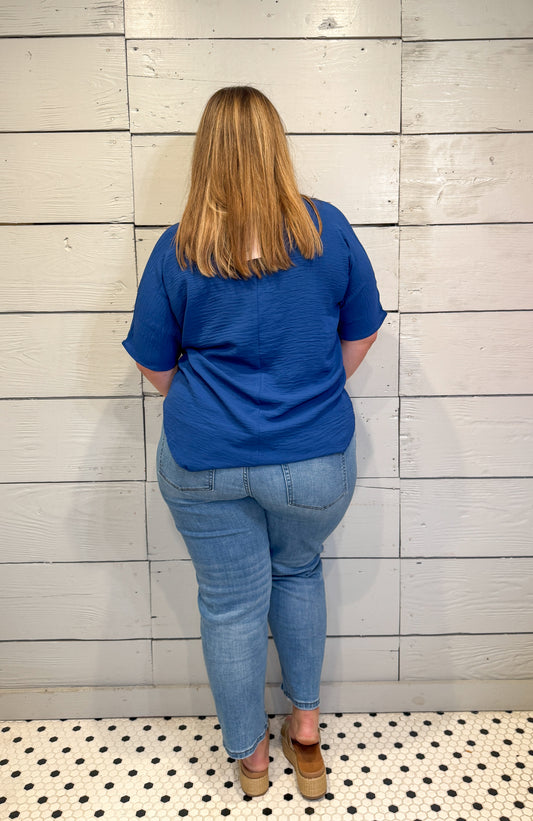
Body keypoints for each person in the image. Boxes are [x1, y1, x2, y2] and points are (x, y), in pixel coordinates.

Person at [122, 86, 386, 800]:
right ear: (277, 145)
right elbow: (359, 332)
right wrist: (312, 388)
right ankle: (305, 735)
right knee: (297, 573)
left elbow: (153, 363)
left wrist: (209, 407)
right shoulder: (325, 230)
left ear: (206, 152)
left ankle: (252, 763)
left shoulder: (179, 247)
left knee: (230, 602)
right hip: (312, 459)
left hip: (203, 460)